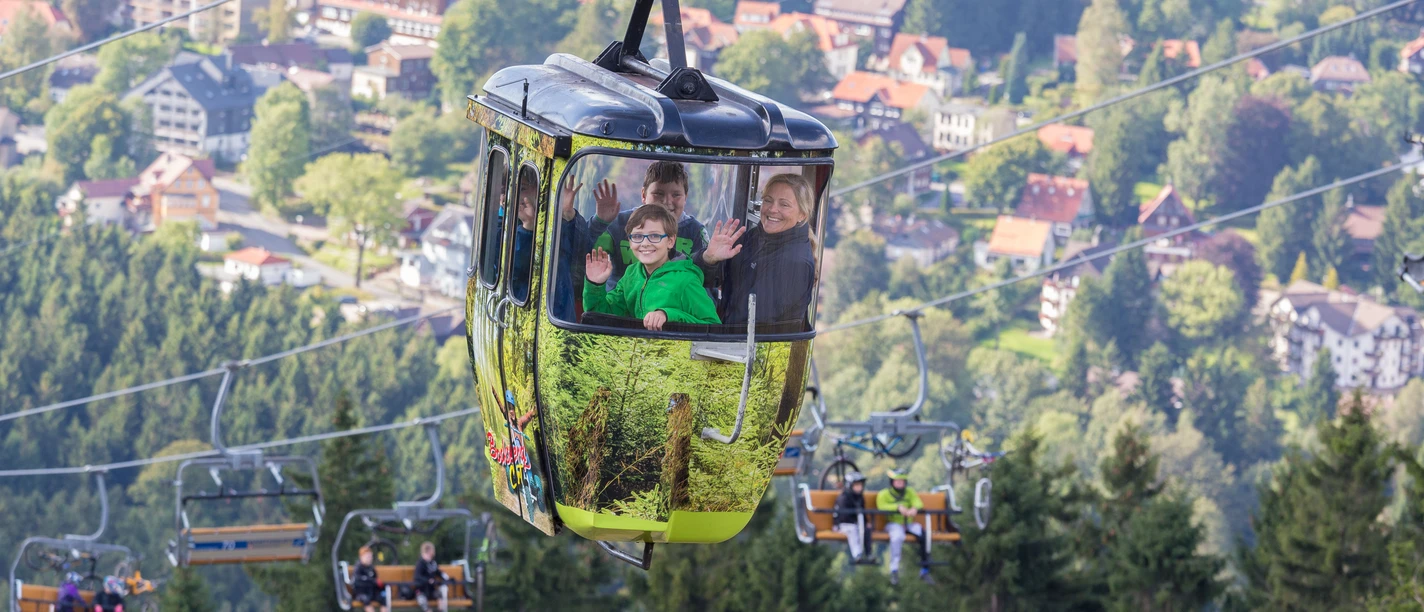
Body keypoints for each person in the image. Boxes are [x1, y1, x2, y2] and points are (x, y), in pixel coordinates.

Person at [701, 173, 817, 325]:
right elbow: (712, 279)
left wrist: (716, 333)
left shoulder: (794, 262)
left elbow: (755, 322)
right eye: (768, 200)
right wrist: (710, 259)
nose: (772, 209)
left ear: (802, 214)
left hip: (746, 346)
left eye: (784, 204)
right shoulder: (754, 238)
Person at [583, 205, 720, 330]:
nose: (645, 243)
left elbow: (712, 326)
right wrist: (595, 285)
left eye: (654, 236)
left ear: (670, 241)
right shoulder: (631, 274)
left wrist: (668, 315)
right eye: (637, 236)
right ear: (629, 241)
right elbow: (602, 317)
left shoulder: (686, 280)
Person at [582, 161, 712, 289]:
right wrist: (600, 222)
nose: (667, 201)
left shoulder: (695, 232)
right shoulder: (618, 224)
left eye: (676, 195)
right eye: (658, 193)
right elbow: (583, 254)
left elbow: (705, 282)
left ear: (685, 197)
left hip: (670, 306)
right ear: (643, 195)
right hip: (620, 305)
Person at [512, 173, 591, 321]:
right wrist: (528, 228)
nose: (518, 196)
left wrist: (569, 216)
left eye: (523, 188)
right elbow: (513, 271)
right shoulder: (504, 226)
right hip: (524, 318)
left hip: (560, 318)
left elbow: (583, 257)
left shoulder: (554, 219)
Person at [876, 468, 933, 586]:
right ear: (892, 482)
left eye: (902, 481)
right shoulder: (884, 494)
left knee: (924, 535)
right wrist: (898, 507)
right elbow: (882, 506)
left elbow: (918, 502)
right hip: (893, 524)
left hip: (908, 524)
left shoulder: (909, 492)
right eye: (897, 481)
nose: (900, 484)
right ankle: (894, 569)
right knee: (897, 538)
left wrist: (914, 509)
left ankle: (925, 568)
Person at [832, 470, 868, 563]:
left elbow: (863, 513)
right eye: (856, 485)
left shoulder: (860, 498)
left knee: (865, 530)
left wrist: (866, 523)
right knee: (853, 529)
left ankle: (868, 553)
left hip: (856, 524)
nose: (859, 488)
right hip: (842, 525)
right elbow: (843, 516)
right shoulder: (843, 498)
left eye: (860, 485)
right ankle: (857, 554)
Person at [412, 541, 448, 612]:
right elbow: (417, 576)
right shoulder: (420, 563)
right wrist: (428, 580)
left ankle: (441, 610)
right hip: (421, 589)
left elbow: (437, 572)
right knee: (423, 602)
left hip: (431, 589)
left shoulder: (432, 563)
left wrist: (445, 576)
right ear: (428, 550)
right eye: (432, 550)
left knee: (440, 596)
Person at [351, 546, 386, 612]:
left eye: (370, 556)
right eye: (367, 557)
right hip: (361, 593)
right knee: (366, 600)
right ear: (361, 557)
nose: (369, 559)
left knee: (383, 599)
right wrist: (371, 581)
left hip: (371, 592)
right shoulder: (358, 568)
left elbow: (376, 580)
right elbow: (357, 581)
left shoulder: (371, 568)